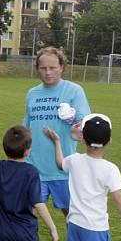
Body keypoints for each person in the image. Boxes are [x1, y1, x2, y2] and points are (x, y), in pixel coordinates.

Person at [24, 47, 90, 217]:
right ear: (37, 68)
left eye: (52, 68)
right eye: (43, 68)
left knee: (73, 216)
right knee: (28, 215)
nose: (47, 72)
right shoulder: (32, 93)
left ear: (62, 67)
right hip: (34, 168)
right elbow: (26, 127)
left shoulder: (74, 91)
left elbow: (85, 125)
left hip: (63, 167)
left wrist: (74, 119)